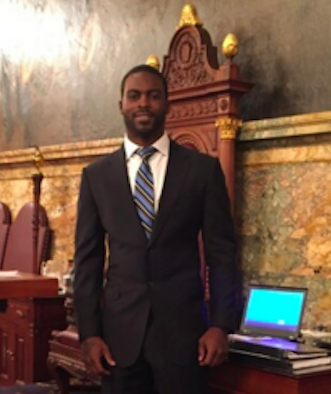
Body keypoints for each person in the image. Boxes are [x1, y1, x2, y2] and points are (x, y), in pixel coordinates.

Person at [73, 64, 238, 394]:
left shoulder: (202, 171)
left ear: (167, 104)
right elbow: (87, 262)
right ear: (121, 105)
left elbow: (223, 254)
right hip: (118, 340)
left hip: (185, 336)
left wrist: (221, 325)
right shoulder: (97, 177)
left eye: (153, 96)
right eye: (134, 96)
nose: (143, 103)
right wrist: (89, 334)